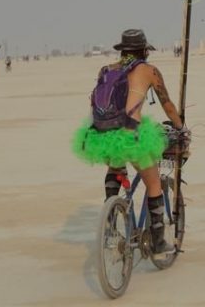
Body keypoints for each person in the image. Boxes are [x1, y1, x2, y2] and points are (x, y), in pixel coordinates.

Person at [72, 29, 184, 258]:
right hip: (132, 136)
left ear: (122, 50)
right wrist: (180, 126)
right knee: (153, 183)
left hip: (102, 135)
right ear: (144, 50)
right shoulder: (150, 71)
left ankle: (110, 219)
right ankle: (158, 242)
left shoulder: (106, 70)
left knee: (116, 167)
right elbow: (168, 105)